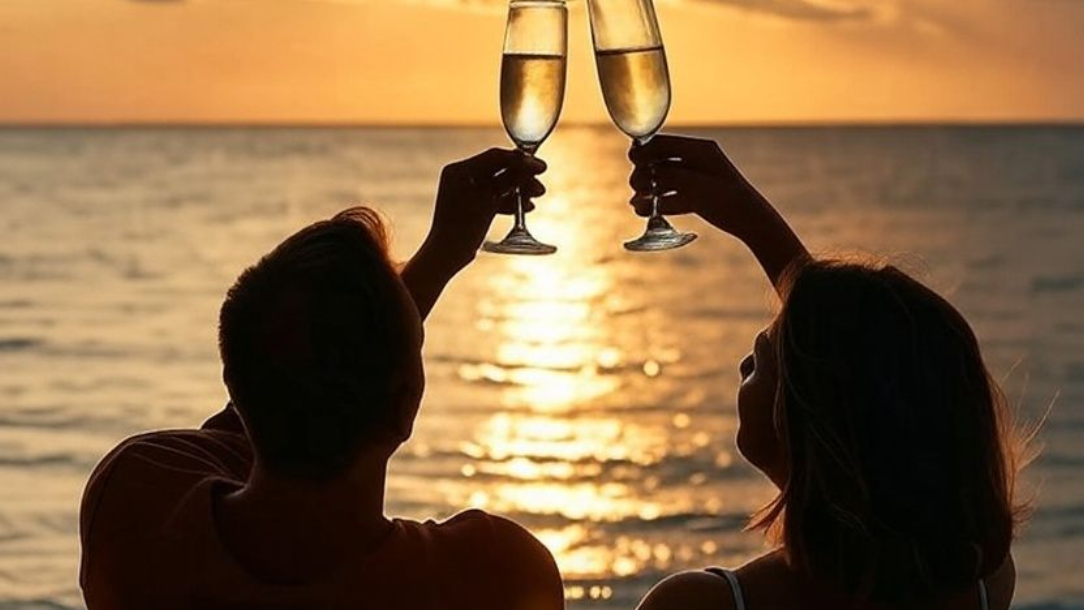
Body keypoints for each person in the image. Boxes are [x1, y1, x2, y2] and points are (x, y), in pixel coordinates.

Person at [78, 149, 565, 610]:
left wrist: (438, 258)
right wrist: (440, 256)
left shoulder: (134, 505)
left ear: (234, 382)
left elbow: (283, 386)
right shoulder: (499, 577)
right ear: (406, 404)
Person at [627, 135, 1025, 610]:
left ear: (807, 417)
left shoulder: (703, 604)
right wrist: (751, 221)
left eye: (760, 363)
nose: (743, 365)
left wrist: (752, 219)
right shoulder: (981, 585)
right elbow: (859, 349)